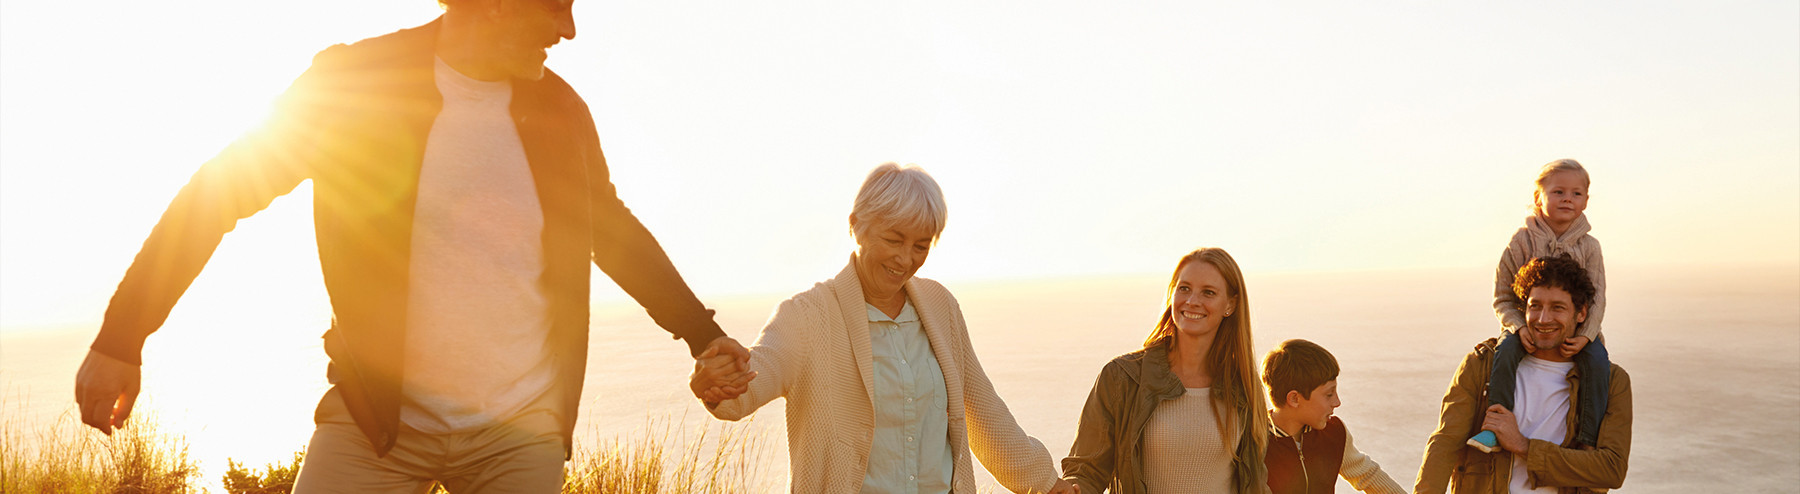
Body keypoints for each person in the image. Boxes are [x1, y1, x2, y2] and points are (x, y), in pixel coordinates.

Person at [72, 0, 751, 491]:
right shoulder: (354, 87)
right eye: (555, 7)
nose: (568, 30)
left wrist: (700, 334)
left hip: (518, 435)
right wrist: (120, 338)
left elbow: (612, 231)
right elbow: (215, 196)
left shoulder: (561, 112)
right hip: (376, 422)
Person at [688, 163, 1076, 494]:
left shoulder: (941, 307)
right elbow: (756, 377)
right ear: (857, 226)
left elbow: (983, 411)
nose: (906, 259)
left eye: (921, 246)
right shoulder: (807, 315)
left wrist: (1045, 483)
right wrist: (719, 384)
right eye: (894, 239)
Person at [1414, 257, 1632, 493]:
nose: (1543, 319)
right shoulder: (1482, 365)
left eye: (1557, 308)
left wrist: (1523, 446)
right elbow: (1445, 444)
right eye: (1535, 306)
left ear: (1581, 313)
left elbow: (1611, 469)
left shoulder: (1612, 382)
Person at [1061, 247, 1269, 494]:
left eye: (1208, 292)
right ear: (1172, 293)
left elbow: (1254, 481)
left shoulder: (1243, 384)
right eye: (1184, 288)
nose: (1192, 301)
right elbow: (1086, 472)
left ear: (1230, 305)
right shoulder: (1122, 378)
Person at [1469, 159, 1611, 454]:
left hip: (1578, 329)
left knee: (1597, 361)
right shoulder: (1520, 241)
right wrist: (1517, 327)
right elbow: (1502, 296)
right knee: (1505, 353)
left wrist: (1586, 334)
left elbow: (1597, 299)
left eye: (1576, 193)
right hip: (1525, 327)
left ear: (1586, 200)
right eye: (1558, 192)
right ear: (1539, 198)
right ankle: (1494, 428)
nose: (1567, 199)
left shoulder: (1590, 247)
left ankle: (1587, 438)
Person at [1259, 339, 1404, 494]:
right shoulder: (1253, 442)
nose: (1337, 402)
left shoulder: (1334, 432)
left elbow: (1368, 476)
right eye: (1329, 394)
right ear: (1294, 399)